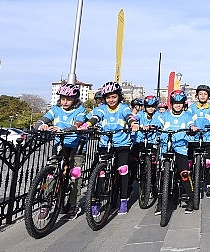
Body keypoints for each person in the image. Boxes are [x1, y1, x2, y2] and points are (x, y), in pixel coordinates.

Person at [82, 81, 139, 215]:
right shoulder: (101, 109)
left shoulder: (123, 108)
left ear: (119, 96)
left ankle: (123, 200)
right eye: (108, 97)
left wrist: (133, 123)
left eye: (114, 97)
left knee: (123, 170)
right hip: (105, 144)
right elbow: (96, 117)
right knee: (100, 172)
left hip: (121, 144)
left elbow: (129, 116)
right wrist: (88, 124)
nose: (111, 100)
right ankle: (95, 200)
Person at [33, 83, 87, 219]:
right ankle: (46, 203)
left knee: (75, 174)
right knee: (51, 172)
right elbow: (43, 119)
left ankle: (73, 204)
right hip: (59, 144)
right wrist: (42, 125)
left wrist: (71, 128)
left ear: (75, 99)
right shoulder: (56, 109)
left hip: (76, 145)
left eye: (68, 99)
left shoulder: (80, 110)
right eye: (63, 98)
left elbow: (79, 123)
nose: (65, 101)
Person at [154, 89, 195, 214]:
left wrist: (192, 128)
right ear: (171, 103)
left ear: (183, 103)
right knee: (161, 175)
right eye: (175, 102)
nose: (178, 105)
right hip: (166, 147)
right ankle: (160, 202)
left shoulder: (187, 115)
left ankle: (191, 199)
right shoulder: (164, 115)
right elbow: (157, 125)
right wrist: (154, 128)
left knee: (184, 173)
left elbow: (191, 124)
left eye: (180, 102)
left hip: (181, 148)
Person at [185, 85, 210, 196]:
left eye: (205, 94)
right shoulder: (192, 107)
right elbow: (187, 117)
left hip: (207, 138)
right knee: (189, 162)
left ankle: (209, 184)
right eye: (200, 94)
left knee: (208, 162)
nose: (203, 96)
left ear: (208, 96)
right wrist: (191, 125)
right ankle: (189, 184)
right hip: (193, 138)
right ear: (197, 95)